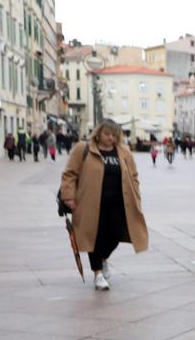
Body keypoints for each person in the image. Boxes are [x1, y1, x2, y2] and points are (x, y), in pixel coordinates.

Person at [60, 119, 149, 291]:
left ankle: (102, 258)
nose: (111, 138)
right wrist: (68, 197)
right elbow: (70, 174)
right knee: (94, 237)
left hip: (118, 203)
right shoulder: (83, 149)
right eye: (107, 134)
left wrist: (136, 196)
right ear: (98, 133)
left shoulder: (123, 151)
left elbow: (134, 176)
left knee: (115, 234)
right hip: (90, 203)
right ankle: (98, 274)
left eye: (114, 135)